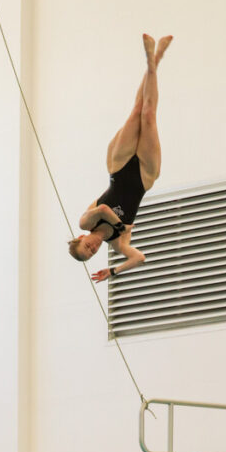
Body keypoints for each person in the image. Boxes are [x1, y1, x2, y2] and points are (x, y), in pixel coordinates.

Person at [68, 33, 172, 282]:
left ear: (82, 238)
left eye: (87, 246)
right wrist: (113, 271)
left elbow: (103, 208)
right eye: (92, 253)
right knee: (149, 115)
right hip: (144, 178)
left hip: (119, 167)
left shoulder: (85, 223)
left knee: (137, 110)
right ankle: (155, 61)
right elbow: (139, 258)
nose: (93, 247)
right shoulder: (117, 244)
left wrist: (120, 226)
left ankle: (152, 60)